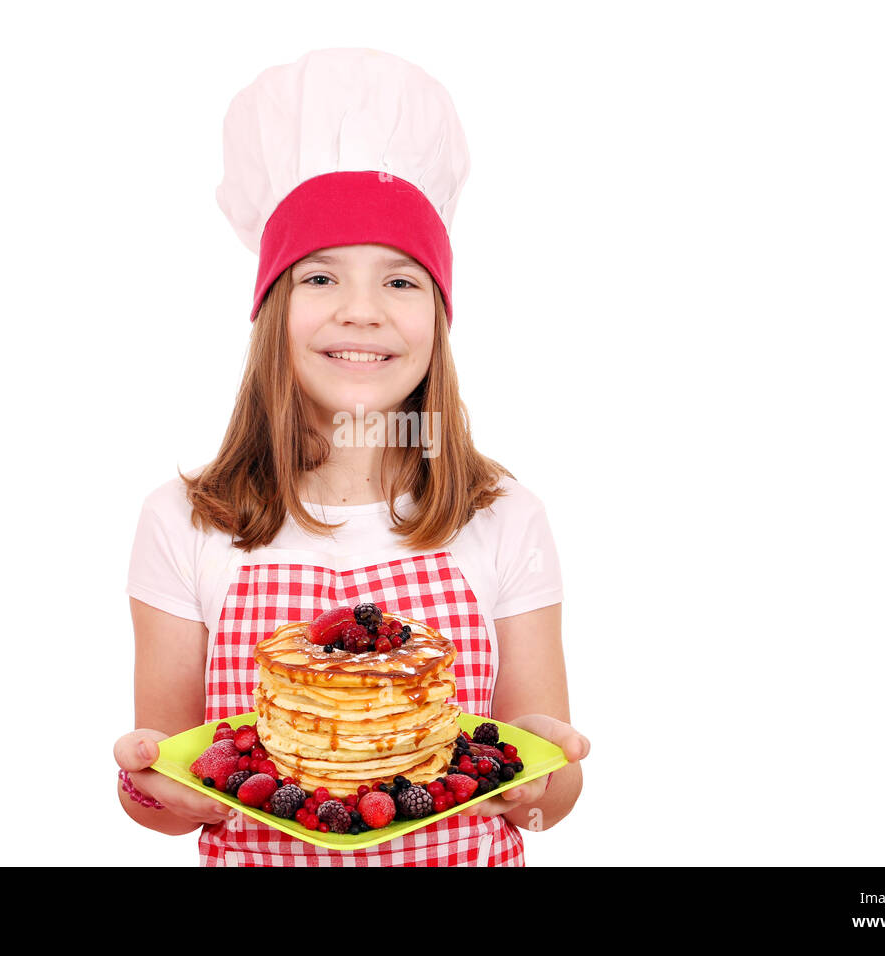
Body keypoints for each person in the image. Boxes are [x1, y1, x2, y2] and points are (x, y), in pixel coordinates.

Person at [112, 48, 589, 866]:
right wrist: (157, 794)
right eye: (321, 278)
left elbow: (550, 788)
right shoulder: (184, 522)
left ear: (438, 320)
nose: (362, 313)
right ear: (272, 312)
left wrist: (542, 778)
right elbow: (178, 784)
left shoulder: (505, 517)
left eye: (401, 283)